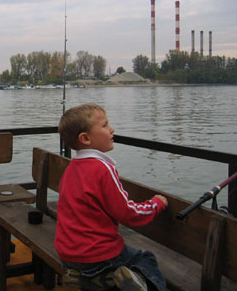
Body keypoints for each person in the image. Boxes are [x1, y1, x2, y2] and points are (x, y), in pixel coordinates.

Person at [55, 103, 168, 291]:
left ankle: (89, 279)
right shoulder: (102, 169)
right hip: (99, 256)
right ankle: (141, 283)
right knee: (145, 259)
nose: (112, 129)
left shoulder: (72, 168)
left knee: (111, 265)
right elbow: (127, 212)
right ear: (85, 138)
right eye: (105, 125)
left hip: (68, 254)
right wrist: (156, 204)